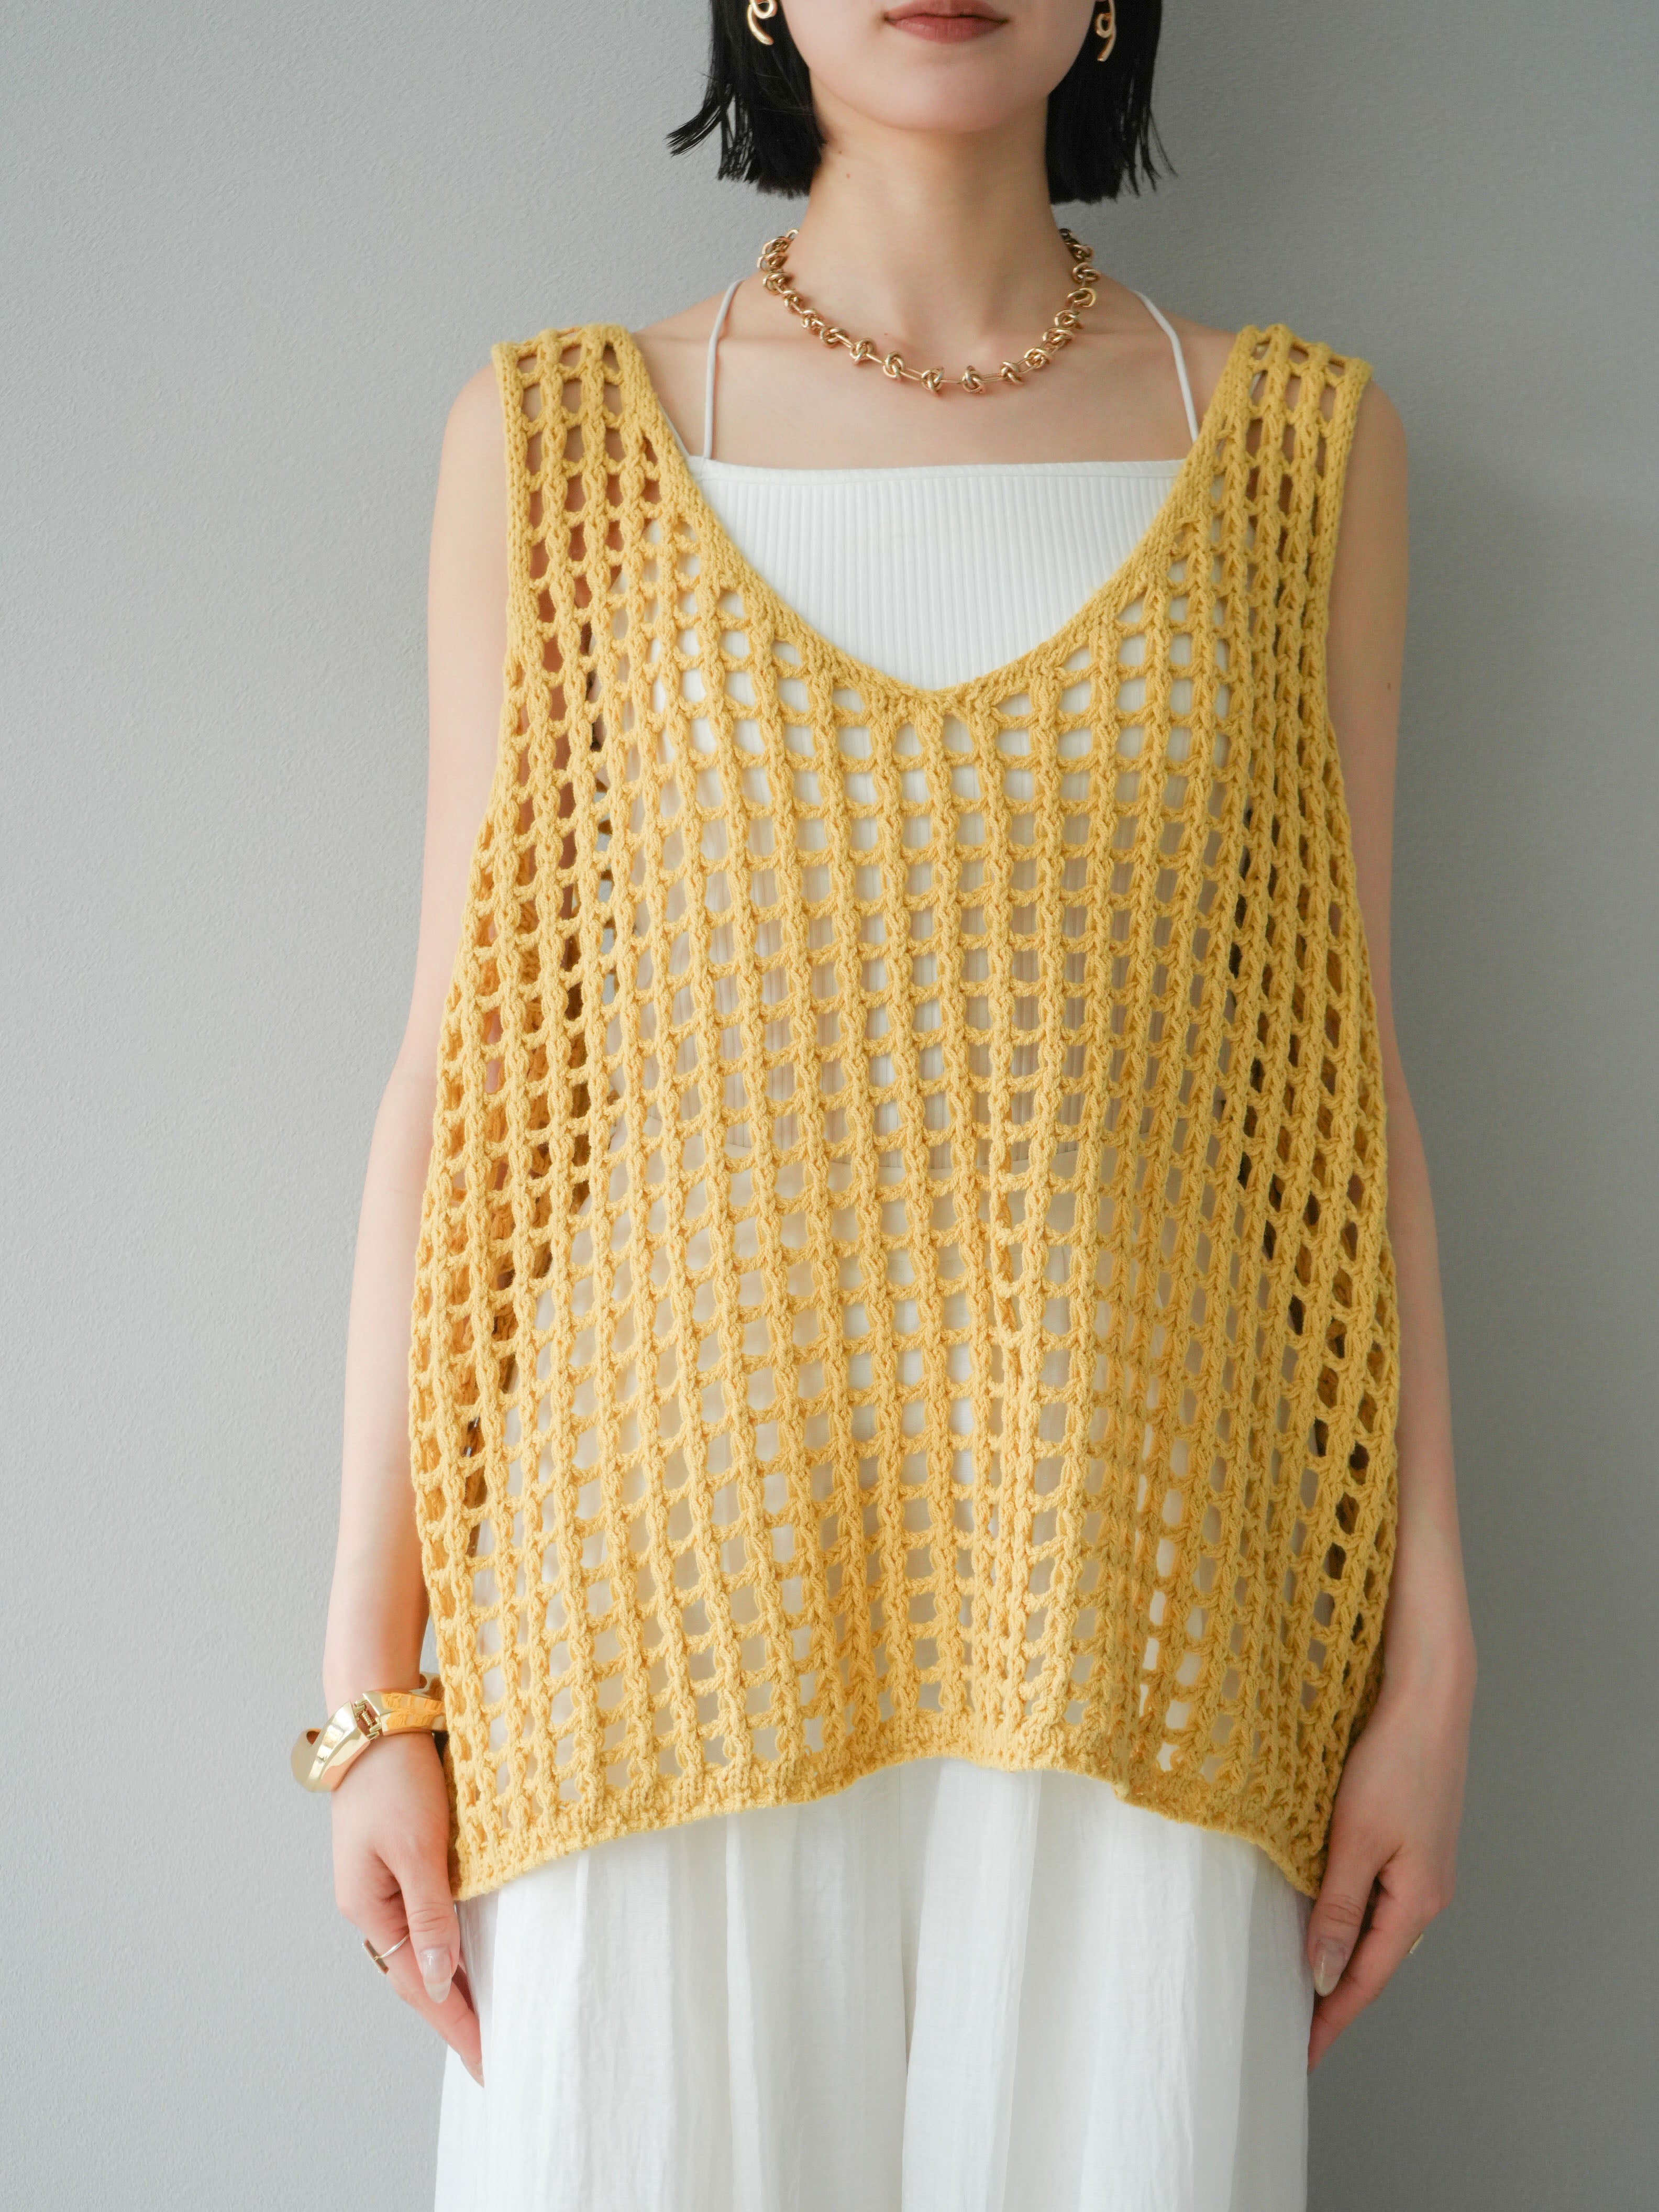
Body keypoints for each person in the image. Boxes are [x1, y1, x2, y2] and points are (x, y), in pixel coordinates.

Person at [313, 4, 1475, 2205]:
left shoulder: (1297, 447)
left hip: (1149, 1609)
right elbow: (460, 1079)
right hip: (644, 1608)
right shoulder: (559, 441)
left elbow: (1342, 1101)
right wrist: (377, 1689)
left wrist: (1428, 1666)